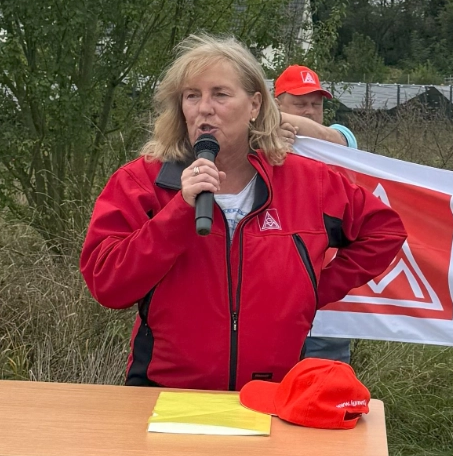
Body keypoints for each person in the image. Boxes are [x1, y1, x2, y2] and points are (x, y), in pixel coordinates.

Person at [79, 35, 406, 390]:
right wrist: (178, 213)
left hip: (272, 396)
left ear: (254, 105)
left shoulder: (308, 182)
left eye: (220, 94)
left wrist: (312, 288)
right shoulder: (141, 181)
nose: (205, 108)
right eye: (192, 95)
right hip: (164, 395)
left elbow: (385, 231)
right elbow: (106, 283)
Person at [273, 63, 359, 363]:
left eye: (316, 104)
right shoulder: (258, 141)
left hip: (326, 303)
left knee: (325, 388)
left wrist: (270, 121)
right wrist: (267, 141)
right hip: (273, 297)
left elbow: (333, 139)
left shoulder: (338, 139)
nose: (309, 111)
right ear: (276, 101)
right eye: (299, 103)